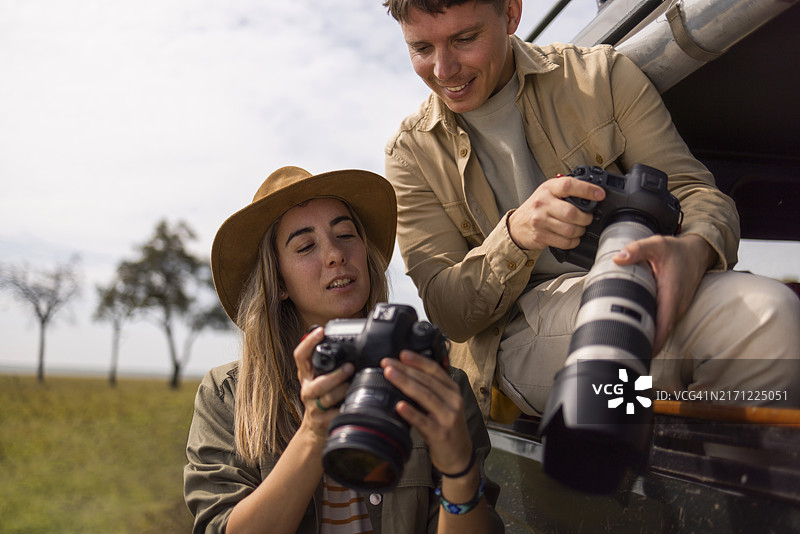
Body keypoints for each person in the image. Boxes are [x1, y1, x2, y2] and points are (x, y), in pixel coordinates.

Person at [382, 0, 800, 422]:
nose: (443, 70)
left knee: (772, 320)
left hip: (637, 282)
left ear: (511, 13)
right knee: (733, 332)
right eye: (421, 49)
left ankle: (685, 470)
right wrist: (515, 236)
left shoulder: (602, 75)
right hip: (516, 337)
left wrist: (694, 249)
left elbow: (694, 191)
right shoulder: (410, 154)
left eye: (465, 39)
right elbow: (448, 311)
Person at [183, 166, 504, 534]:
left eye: (346, 234)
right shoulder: (228, 396)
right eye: (306, 246)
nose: (335, 254)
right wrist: (315, 430)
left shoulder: (437, 385)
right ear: (279, 282)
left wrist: (459, 471)